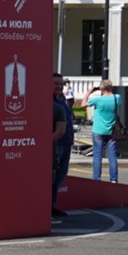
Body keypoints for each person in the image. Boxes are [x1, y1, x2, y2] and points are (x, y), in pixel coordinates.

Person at [84, 76, 122, 183]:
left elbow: (83, 104)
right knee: (112, 156)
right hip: (112, 130)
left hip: (98, 129)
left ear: (101, 89)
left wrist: (89, 92)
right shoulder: (117, 97)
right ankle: (113, 179)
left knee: (97, 156)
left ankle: (97, 178)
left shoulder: (97, 99)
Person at [51, 74, 76, 219]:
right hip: (56, 143)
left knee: (61, 175)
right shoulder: (48, 101)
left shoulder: (63, 100)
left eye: (61, 84)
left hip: (67, 141)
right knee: (53, 177)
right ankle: (49, 207)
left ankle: (52, 205)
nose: (59, 87)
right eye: (56, 84)